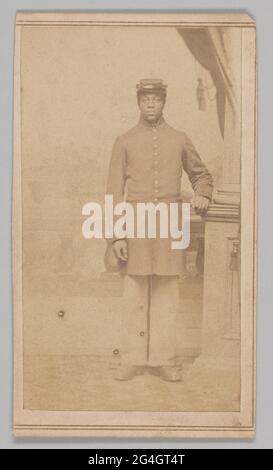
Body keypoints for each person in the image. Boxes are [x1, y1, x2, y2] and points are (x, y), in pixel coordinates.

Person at [106, 79, 213, 381]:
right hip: (136, 226)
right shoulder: (124, 140)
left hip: (169, 226)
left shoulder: (179, 138)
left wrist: (202, 192)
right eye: (145, 99)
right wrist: (116, 235)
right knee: (134, 295)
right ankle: (131, 358)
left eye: (156, 99)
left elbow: (201, 174)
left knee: (167, 296)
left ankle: (164, 360)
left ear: (164, 102)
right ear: (138, 102)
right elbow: (113, 192)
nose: (150, 104)